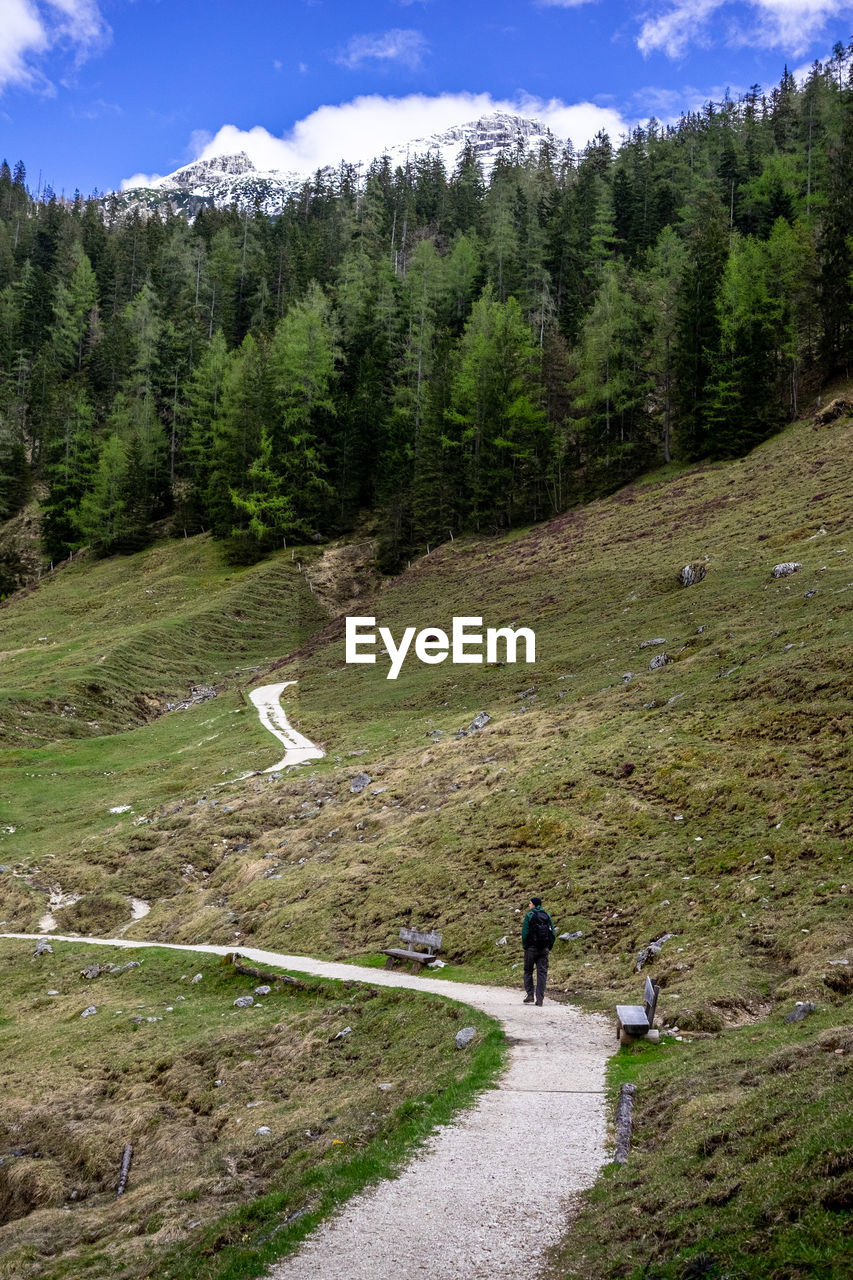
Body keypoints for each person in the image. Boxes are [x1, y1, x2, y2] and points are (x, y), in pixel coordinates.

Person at [521, 896, 555, 1006]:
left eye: (530, 903)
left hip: (531, 948)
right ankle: (540, 999)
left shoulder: (529, 915)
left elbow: (525, 933)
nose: (529, 905)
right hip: (544, 949)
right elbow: (552, 933)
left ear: (534, 904)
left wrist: (525, 946)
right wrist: (549, 946)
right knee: (542, 973)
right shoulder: (547, 915)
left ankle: (530, 994)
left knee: (528, 971)